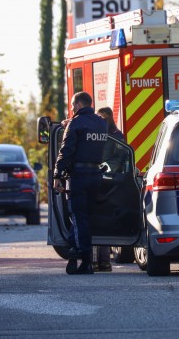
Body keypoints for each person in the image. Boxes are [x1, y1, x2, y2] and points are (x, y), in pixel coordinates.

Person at [53, 92, 108, 275]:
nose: (71, 109)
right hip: (96, 175)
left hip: (79, 176)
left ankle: (84, 260)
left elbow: (66, 151)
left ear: (78, 104)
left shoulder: (76, 123)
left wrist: (57, 174)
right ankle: (81, 256)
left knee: (79, 218)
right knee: (87, 218)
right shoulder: (101, 123)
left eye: (72, 105)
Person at [92, 107, 125, 272]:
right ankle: (97, 261)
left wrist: (103, 169)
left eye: (103, 119)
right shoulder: (97, 134)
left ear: (110, 118)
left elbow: (118, 158)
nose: (101, 122)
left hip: (109, 183)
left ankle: (103, 261)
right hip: (96, 180)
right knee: (94, 221)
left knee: (102, 222)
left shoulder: (117, 136)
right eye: (98, 118)